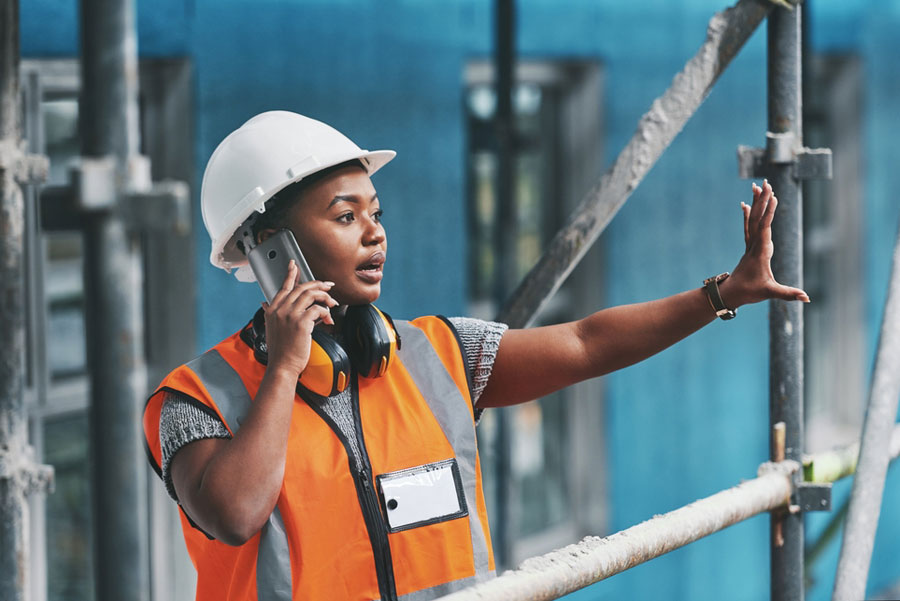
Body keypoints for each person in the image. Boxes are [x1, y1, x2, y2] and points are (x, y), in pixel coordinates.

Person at [142, 111, 808, 601]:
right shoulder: (192, 399)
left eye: (376, 212)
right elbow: (234, 513)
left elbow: (585, 343)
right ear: (268, 248)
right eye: (345, 217)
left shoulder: (436, 353)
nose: (375, 233)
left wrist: (722, 292)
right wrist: (286, 365)